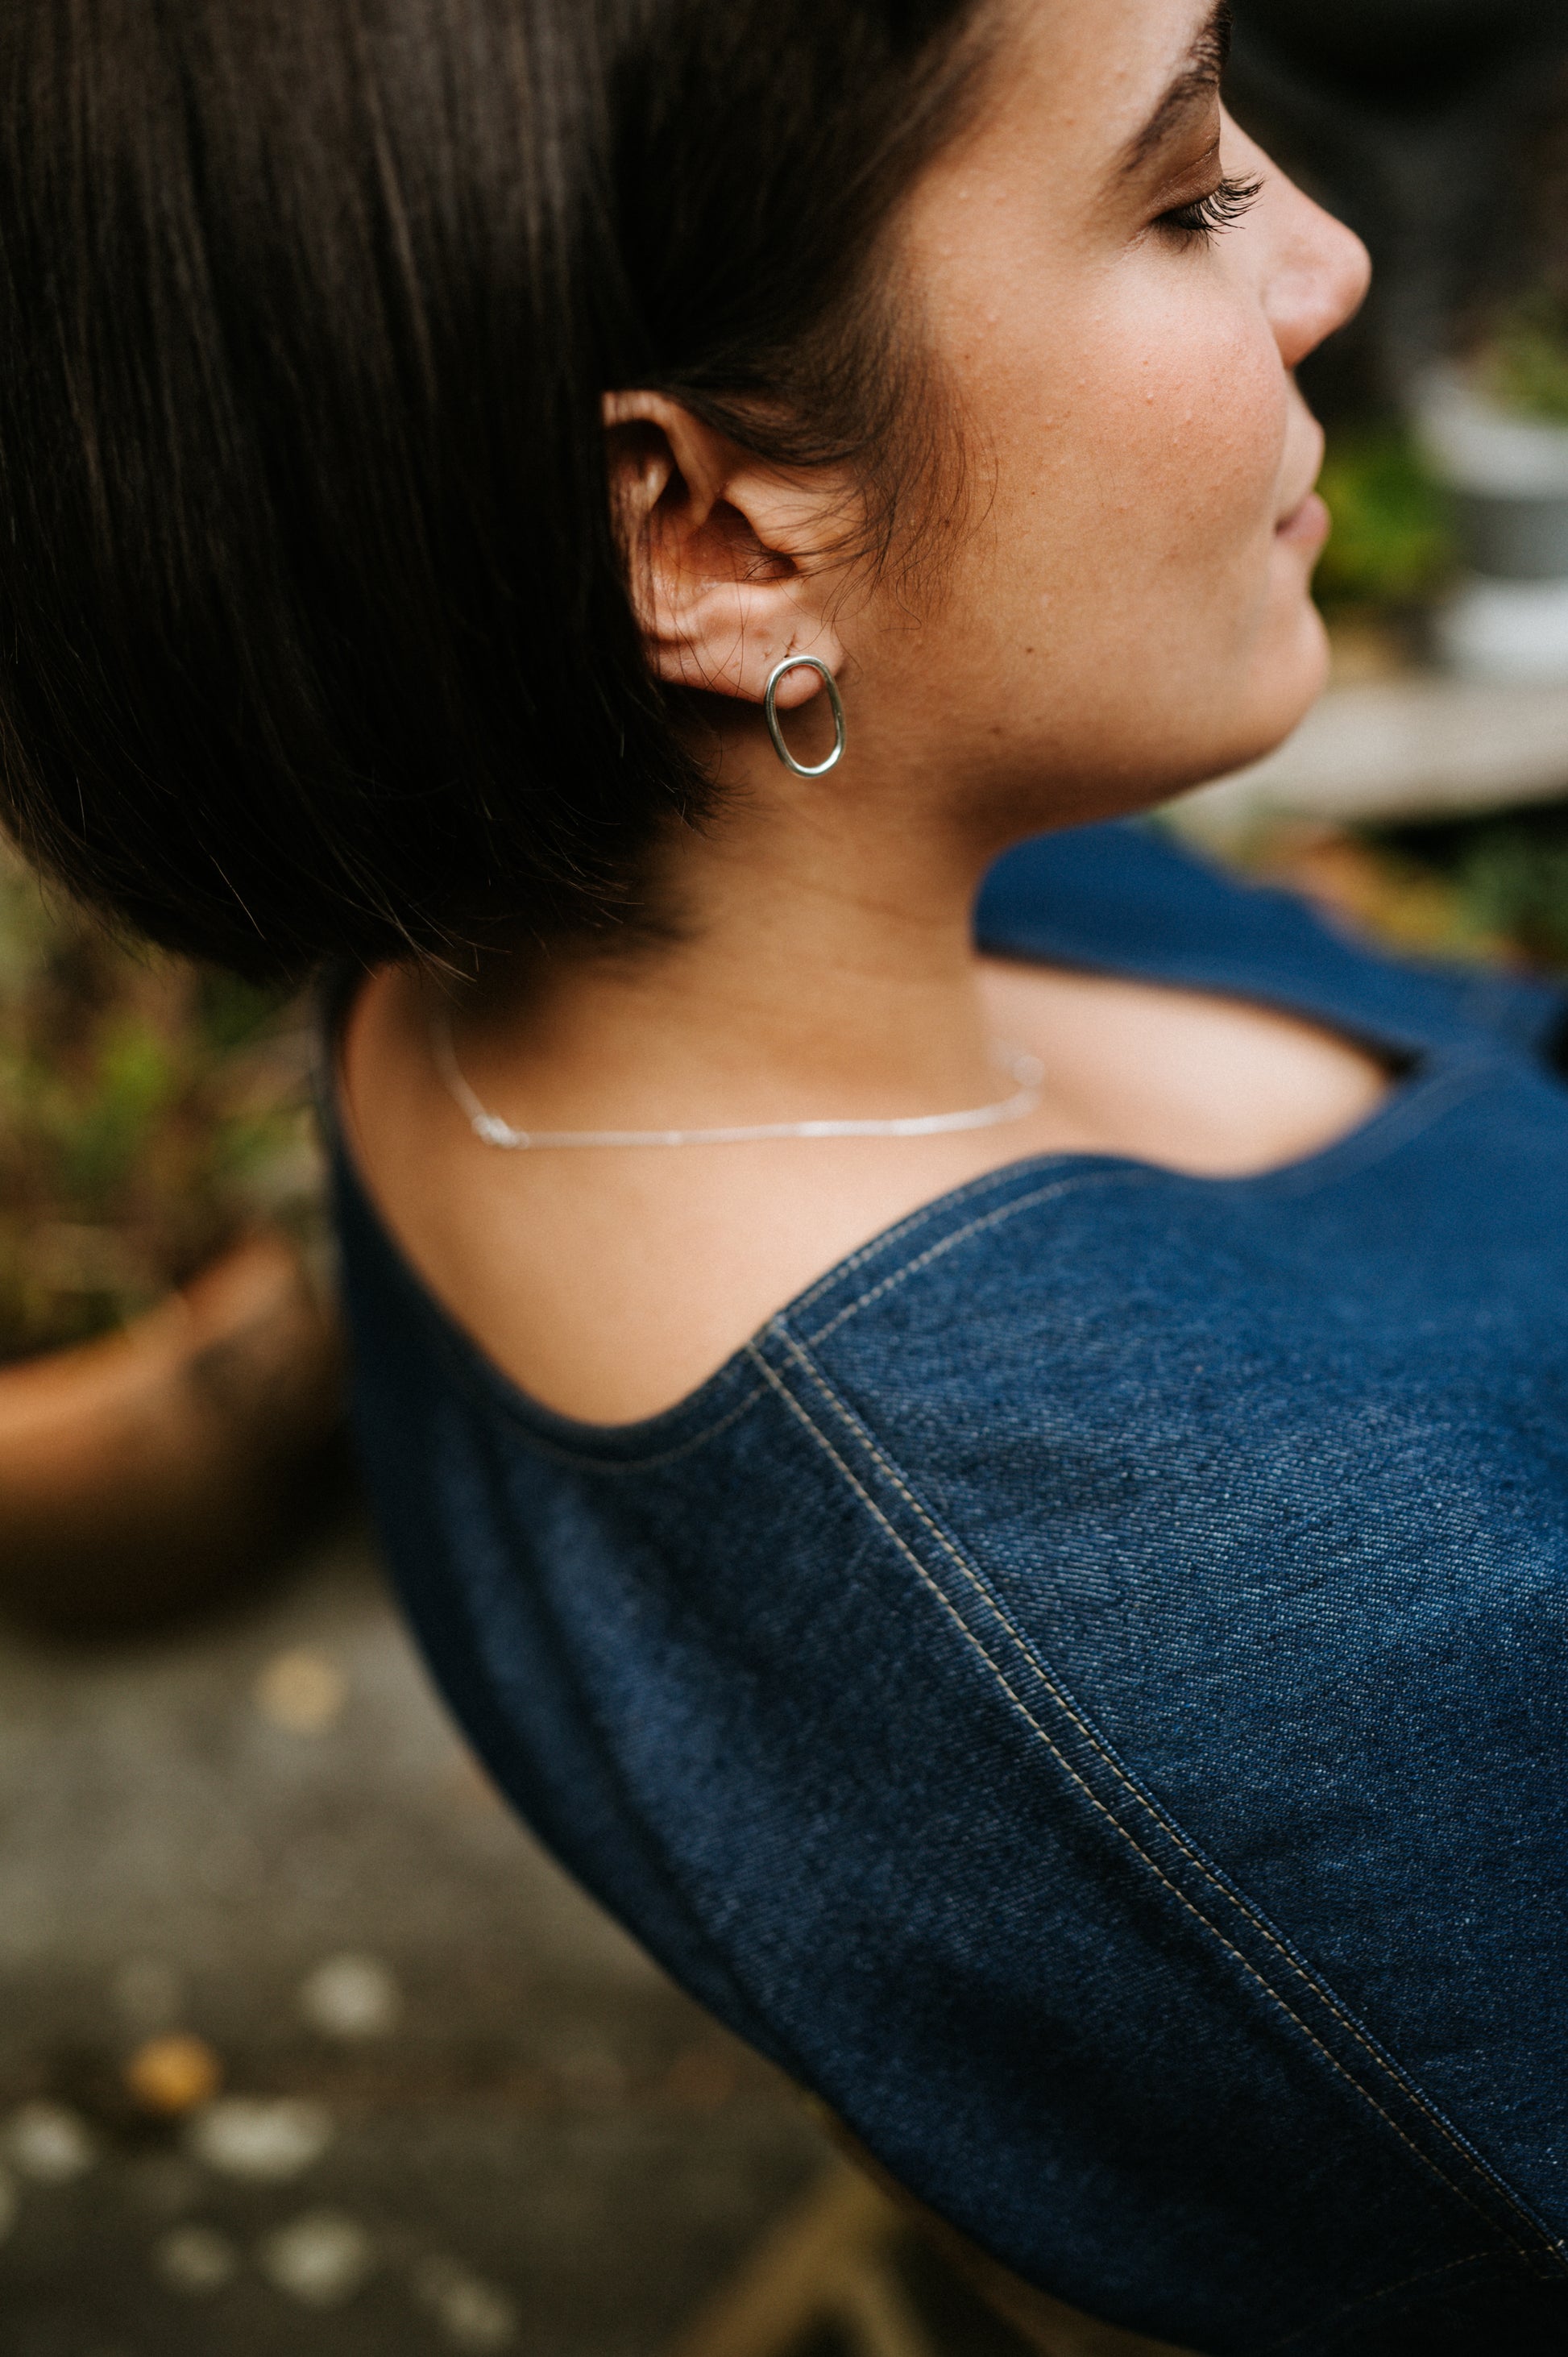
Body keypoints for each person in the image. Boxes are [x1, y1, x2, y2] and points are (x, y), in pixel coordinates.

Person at [1, 2, 1566, 2348]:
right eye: (1173, 193)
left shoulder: (548, 965)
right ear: (715, 535)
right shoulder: (1295, 1654)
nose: (1319, 256)